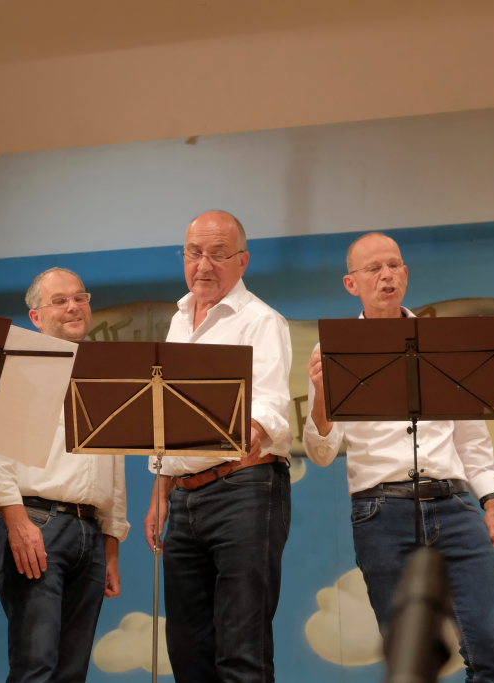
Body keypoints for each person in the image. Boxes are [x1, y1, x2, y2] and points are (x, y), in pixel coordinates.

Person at [303, 231, 494, 682]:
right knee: (409, 663)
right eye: (374, 268)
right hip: (381, 513)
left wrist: (492, 502)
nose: (387, 275)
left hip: (454, 505)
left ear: (406, 273)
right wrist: (321, 395)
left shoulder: (445, 342)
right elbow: (321, 452)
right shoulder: (332, 349)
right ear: (351, 283)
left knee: (493, 650)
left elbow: (472, 439)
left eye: (394, 265)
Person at [144, 210, 293, 682]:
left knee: (241, 650)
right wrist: (161, 491)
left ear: (242, 261)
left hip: (244, 488)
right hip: (184, 496)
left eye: (218, 254)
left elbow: (268, 409)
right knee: (187, 651)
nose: (203, 264)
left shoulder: (261, 321)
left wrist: (232, 433)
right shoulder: (178, 320)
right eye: (194, 253)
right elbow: (165, 418)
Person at [0, 267, 129, 683]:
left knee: (71, 674)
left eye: (80, 297)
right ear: (35, 316)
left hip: (91, 534)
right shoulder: (18, 364)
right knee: (36, 669)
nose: (73, 307)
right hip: (37, 525)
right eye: (60, 300)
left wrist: (111, 545)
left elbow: (114, 461)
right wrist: (18, 522)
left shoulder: (106, 372)